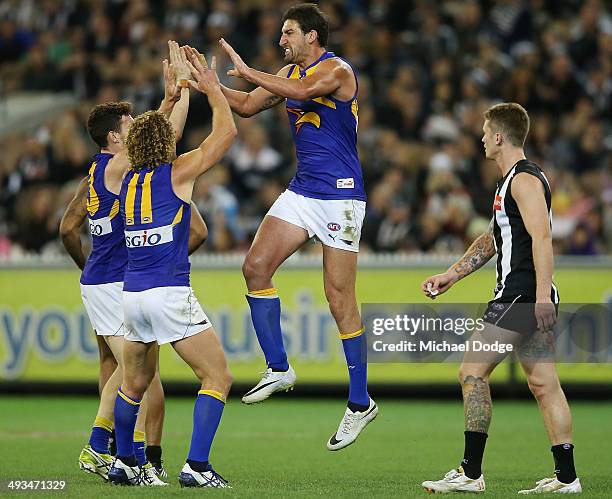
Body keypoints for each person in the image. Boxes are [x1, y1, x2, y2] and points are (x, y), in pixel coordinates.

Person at [218, 2, 376, 451]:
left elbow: (303, 93)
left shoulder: (337, 70)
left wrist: (250, 71)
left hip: (342, 196)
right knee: (255, 268)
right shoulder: (290, 76)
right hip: (303, 191)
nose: (281, 41)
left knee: (339, 297)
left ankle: (360, 403)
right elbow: (248, 105)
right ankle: (279, 367)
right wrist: (208, 85)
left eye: (288, 33)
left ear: (312, 36)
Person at [59, 41, 206, 482]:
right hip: (111, 281)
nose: (136, 127)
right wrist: (171, 95)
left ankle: (131, 456)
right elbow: (162, 135)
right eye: (129, 123)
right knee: (136, 373)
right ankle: (105, 450)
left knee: (123, 371)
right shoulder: (115, 166)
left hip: (106, 278)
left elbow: (68, 227)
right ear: (114, 137)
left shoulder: (102, 170)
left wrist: (181, 91)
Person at [420, 103, 581, 494]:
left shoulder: (523, 180)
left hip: (521, 294)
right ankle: (567, 478)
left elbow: (542, 237)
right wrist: (452, 275)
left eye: (484, 131)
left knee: (471, 371)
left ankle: (470, 473)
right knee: (544, 383)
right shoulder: (511, 181)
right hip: (528, 294)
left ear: (498, 137)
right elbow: (492, 239)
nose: (480, 138)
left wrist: (541, 295)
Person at [106, 45, 237, 488]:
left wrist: (175, 93)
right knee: (217, 376)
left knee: (133, 383)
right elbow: (225, 136)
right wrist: (211, 89)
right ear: (166, 145)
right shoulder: (175, 173)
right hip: (167, 292)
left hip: (132, 297)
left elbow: (157, 135)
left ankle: (124, 462)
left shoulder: (127, 181)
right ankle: (197, 466)